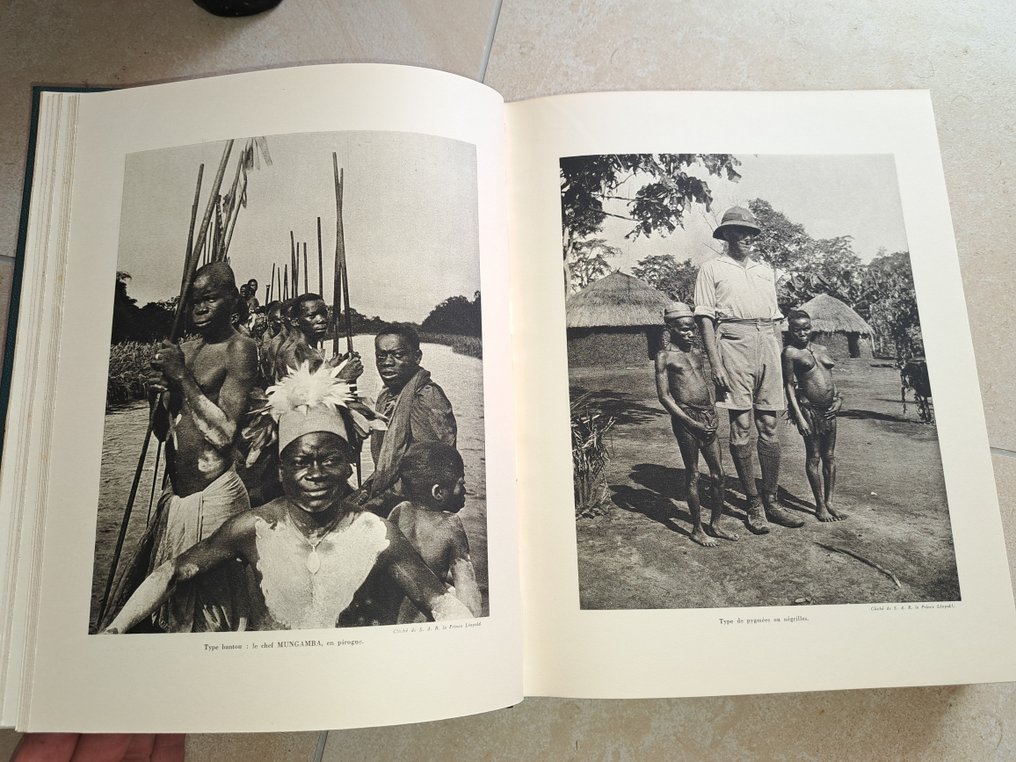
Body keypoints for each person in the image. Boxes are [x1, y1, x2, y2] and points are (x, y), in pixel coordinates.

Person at [105, 364, 472, 633]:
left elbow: (439, 601)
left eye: (330, 460)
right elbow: (172, 572)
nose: (316, 473)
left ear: (348, 468)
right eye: (301, 462)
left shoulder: (376, 533)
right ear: (281, 472)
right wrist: (115, 631)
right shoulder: (255, 526)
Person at [146, 261, 258, 632]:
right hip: (178, 499)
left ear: (233, 300)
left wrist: (181, 378)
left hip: (214, 497)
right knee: (175, 608)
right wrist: (156, 398)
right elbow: (164, 433)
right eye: (194, 301)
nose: (200, 308)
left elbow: (225, 433)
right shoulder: (186, 349)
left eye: (210, 299)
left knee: (213, 613)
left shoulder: (239, 348)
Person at [694, 206, 804, 534]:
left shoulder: (764, 270)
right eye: (738, 232)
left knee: (769, 424)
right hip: (733, 343)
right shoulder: (711, 268)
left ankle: (771, 500)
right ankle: (753, 503)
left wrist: (782, 359)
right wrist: (716, 364)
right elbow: (704, 318)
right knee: (742, 426)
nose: (745, 238)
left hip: (767, 341)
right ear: (726, 235)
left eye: (750, 233)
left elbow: (774, 319)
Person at [655, 303, 737, 546]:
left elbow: (703, 384)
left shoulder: (698, 352)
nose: (690, 334)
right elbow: (664, 397)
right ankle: (697, 528)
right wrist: (691, 422)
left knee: (719, 474)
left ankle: (716, 524)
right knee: (693, 473)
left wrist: (712, 411)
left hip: (707, 416)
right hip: (686, 420)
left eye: (692, 329)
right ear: (670, 328)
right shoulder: (664, 357)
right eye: (684, 330)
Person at [367, 324, 457, 515]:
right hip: (392, 495)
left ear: (417, 357)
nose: (387, 362)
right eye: (381, 356)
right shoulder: (386, 396)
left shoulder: (425, 396)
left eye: (397, 355)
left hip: (418, 507)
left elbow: (429, 471)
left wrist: (375, 503)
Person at [387, 442, 482, 621]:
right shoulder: (451, 525)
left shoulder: (398, 511)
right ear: (438, 492)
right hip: (428, 619)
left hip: (395, 617)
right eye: (460, 484)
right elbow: (468, 590)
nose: (464, 491)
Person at [782, 309, 845, 522]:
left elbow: (830, 377)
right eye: (797, 330)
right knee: (814, 457)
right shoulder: (790, 353)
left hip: (829, 410)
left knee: (830, 457)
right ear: (790, 330)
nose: (802, 333)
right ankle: (819, 506)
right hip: (810, 411)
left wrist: (838, 399)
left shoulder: (821, 348)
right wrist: (799, 417)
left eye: (806, 328)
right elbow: (789, 386)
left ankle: (829, 502)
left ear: (811, 328)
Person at [273, 292, 363, 383]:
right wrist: (344, 376)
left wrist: (334, 366)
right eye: (312, 316)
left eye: (324, 314)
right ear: (295, 322)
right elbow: (302, 394)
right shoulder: (295, 352)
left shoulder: (304, 347)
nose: (321, 319)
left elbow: (315, 380)